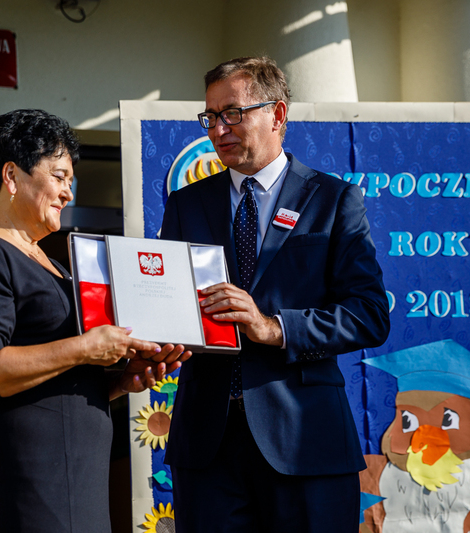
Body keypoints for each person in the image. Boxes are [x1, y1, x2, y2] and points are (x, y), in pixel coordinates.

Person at [160, 57, 390, 532]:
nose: (219, 129)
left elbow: (369, 315)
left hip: (306, 442)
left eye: (233, 113)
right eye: (210, 117)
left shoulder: (334, 200)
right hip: (208, 446)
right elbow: (171, 303)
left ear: (278, 115)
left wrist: (271, 327)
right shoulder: (187, 204)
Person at [0, 109, 189, 532]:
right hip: (33, 483)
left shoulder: (56, 266)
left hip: (80, 482)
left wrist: (118, 381)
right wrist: (88, 347)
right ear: (12, 176)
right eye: (59, 177)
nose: (67, 194)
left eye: (70, 182)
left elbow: (57, 380)